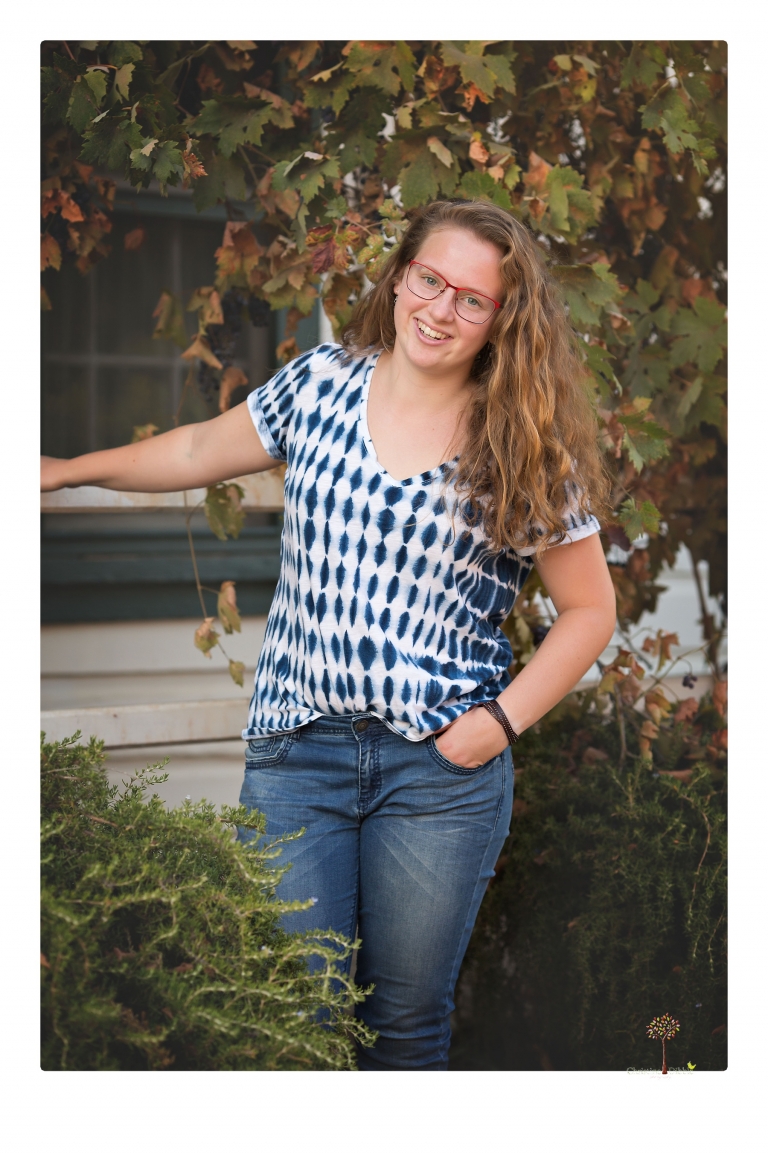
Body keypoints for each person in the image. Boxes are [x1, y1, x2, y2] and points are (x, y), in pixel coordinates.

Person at [41, 198, 616, 1071]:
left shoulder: (520, 440)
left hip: (438, 772)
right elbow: (199, 453)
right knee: (288, 1023)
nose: (441, 309)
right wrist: (65, 471)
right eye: (430, 279)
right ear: (399, 278)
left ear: (503, 319)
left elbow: (590, 611)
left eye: (473, 298)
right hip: (296, 762)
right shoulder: (322, 383)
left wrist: (493, 728)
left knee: (403, 1030)